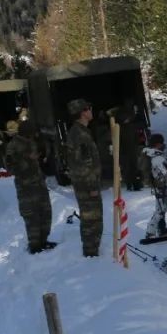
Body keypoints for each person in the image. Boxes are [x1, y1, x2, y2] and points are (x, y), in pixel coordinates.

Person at [3, 120, 55, 254]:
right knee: (32, 217)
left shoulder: (32, 142)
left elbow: (40, 156)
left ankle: (43, 241)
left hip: (39, 185)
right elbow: (10, 168)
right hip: (26, 188)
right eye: (33, 133)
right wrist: (27, 159)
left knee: (45, 213)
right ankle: (35, 246)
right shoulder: (13, 146)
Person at [65, 98, 103, 257]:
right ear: (82, 112)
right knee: (91, 219)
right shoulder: (80, 134)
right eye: (88, 109)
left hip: (85, 183)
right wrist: (92, 187)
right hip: (86, 185)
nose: (91, 111)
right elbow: (83, 165)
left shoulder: (82, 131)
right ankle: (90, 253)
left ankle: (92, 250)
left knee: (92, 218)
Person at [141, 133, 167, 239]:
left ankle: (162, 229)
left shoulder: (153, 154)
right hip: (160, 186)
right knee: (161, 209)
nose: (163, 144)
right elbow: (165, 172)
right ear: (157, 144)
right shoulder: (156, 157)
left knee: (162, 208)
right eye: (161, 143)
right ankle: (150, 231)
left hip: (159, 186)